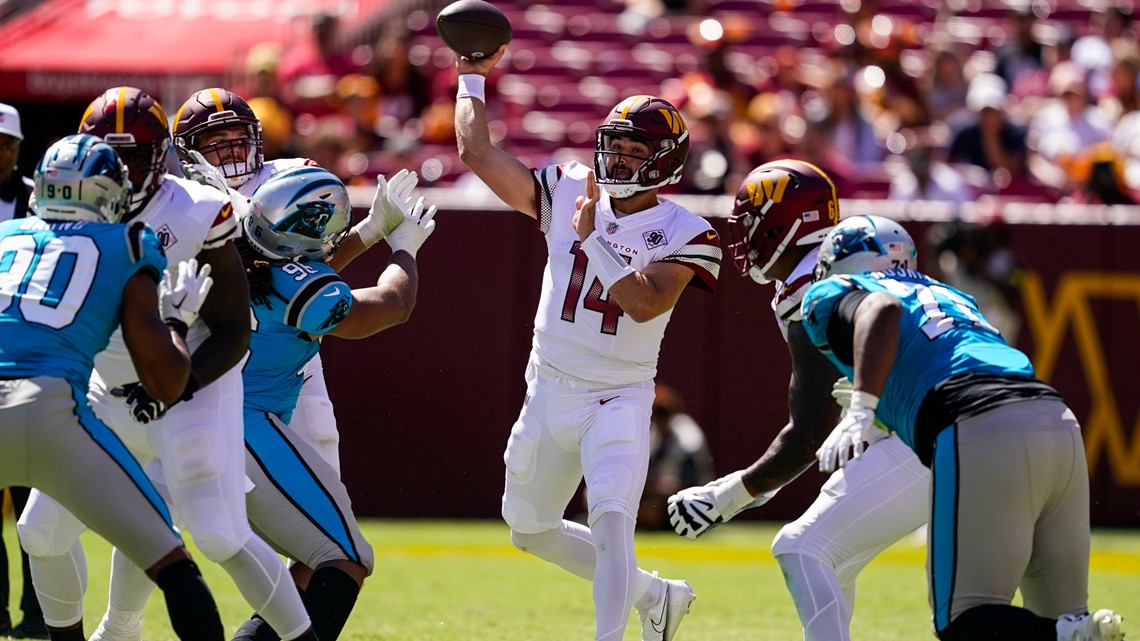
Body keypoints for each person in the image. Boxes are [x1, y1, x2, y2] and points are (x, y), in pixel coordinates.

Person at [16, 87, 316, 641]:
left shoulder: (197, 209)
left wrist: (178, 384)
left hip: (193, 379)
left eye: (134, 155)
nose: (122, 169)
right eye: (109, 153)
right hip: (105, 387)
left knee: (219, 533)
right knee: (40, 533)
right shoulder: (62, 204)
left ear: (160, 155)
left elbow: (230, 331)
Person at [454, 43, 722, 641]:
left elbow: (645, 301)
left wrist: (591, 239)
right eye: (616, 145)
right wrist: (471, 76)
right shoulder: (568, 186)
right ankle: (656, 596)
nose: (619, 157)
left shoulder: (688, 230)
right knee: (529, 527)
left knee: (610, 518)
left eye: (635, 150)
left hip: (618, 394)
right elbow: (476, 151)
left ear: (665, 161)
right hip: (547, 385)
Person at [803, 215, 1124, 641]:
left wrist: (864, 406)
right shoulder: (950, 294)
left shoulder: (836, 292)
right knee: (1060, 613)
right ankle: (1074, 632)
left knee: (965, 621)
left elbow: (881, 308)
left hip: (977, 423)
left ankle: (1070, 637)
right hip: (1054, 418)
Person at [666, 163, 930, 641]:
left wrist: (728, 496)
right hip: (955, 423)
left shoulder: (816, 288)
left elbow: (809, 431)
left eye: (753, 225)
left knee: (802, 548)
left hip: (926, 433)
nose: (744, 239)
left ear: (785, 227)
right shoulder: (861, 264)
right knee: (837, 562)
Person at [1, 133, 225, 641]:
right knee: (172, 565)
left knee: (38, 532)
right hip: (51, 411)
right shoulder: (129, 242)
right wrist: (178, 321)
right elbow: (166, 381)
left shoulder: (6, 234)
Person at [225, 165, 435, 641]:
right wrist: (404, 246)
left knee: (308, 562)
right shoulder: (300, 284)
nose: (329, 240)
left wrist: (367, 230)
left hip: (204, 417)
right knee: (347, 556)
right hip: (245, 426)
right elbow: (390, 305)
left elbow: (292, 268)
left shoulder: (236, 245)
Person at [0, 101, 47, 640]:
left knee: (33, 496)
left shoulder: (44, 199)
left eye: (4, 143)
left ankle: (38, 614)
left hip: (28, 357)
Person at [639, 384, 714, 531]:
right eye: (654, 416)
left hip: (694, 501)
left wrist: (654, 488)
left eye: (662, 416)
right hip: (658, 497)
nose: (658, 422)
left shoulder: (688, 440)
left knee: (651, 512)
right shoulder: (650, 434)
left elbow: (692, 485)